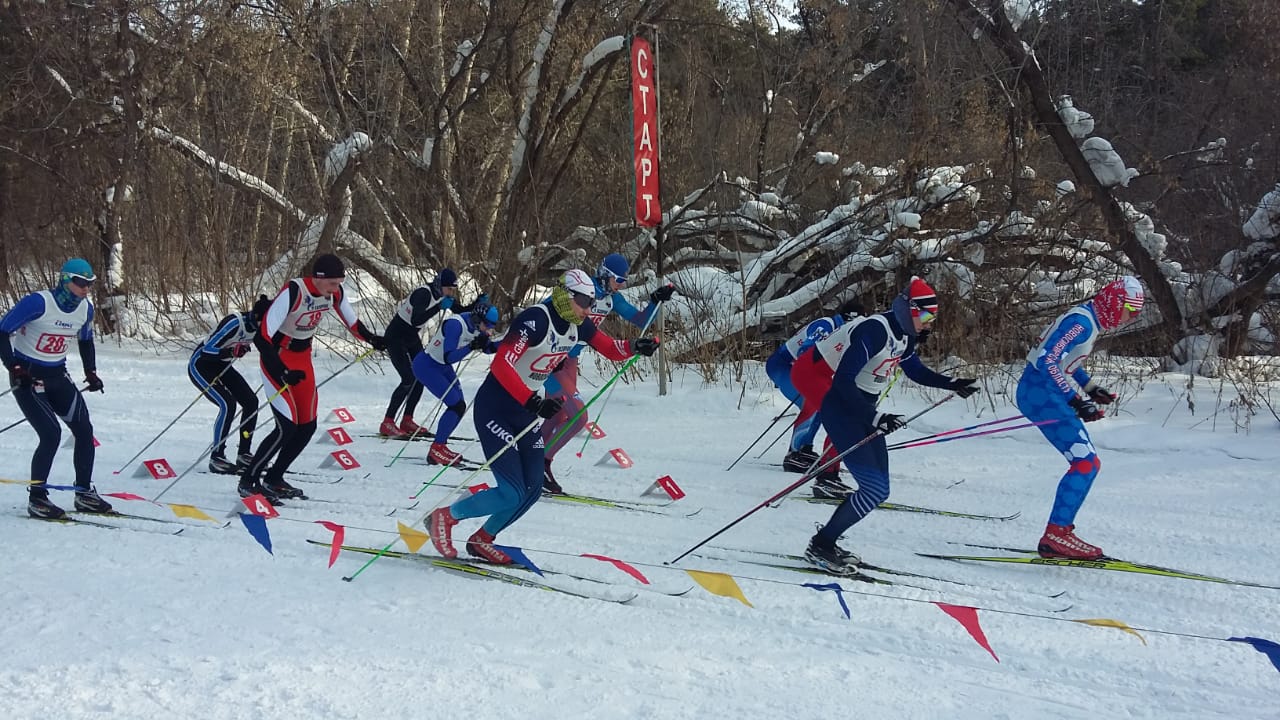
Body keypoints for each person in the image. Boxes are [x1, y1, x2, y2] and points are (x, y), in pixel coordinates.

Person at [426, 269, 660, 564]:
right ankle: (445, 517)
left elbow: (608, 348)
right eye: (584, 302)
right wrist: (532, 402)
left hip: (524, 411)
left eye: (590, 303)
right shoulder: (535, 320)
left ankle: (483, 539)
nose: (589, 309)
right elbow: (501, 365)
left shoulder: (578, 323)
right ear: (566, 296)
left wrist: (635, 347)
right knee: (511, 491)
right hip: (495, 408)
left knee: (533, 489)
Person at [802, 277, 979, 575]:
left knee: (879, 490)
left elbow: (916, 372)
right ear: (908, 309)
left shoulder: (905, 336)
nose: (928, 324)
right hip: (844, 411)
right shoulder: (874, 330)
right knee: (872, 488)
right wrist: (875, 419)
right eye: (924, 316)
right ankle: (820, 545)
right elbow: (843, 382)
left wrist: (952, 383)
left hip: (863, 412)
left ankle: (826, 541)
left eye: (932, 318)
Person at [238, 253, 386, 502]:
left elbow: (352, 322)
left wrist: (373, 339)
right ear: (318, 279)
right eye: (332, 283)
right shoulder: (294, 291)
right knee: (286, 427)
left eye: (339, 283)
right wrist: (281, 372)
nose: (336, 289)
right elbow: (262, 338)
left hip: (302, 359)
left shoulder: (334, 294)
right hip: (278, 358)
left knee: (307, 426)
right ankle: (248, 480)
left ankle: (274, 478)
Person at [1018, 276, 1144, 560]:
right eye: (1128, 309)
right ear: (1114, 301)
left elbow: (1066, 363)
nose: (1128, 318)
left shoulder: (1090, 320)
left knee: (1087, 462)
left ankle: (1058, 533)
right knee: (1086, 463)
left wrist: (1089, 389)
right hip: (1039, 393)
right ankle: (1057, 535)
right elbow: (1046, 361)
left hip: (1042, 391)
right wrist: (1075, 400)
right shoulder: (1083, 322)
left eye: (1133, 314)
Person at [539, 253, 674, 494]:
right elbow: (552, 312)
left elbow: (640, 320)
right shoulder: (581, 289)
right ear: (605, 274)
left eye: (624, 280)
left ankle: (531, 457)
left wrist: (655, 300)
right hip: (554, 359)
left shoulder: (613, 299)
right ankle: (540, 463)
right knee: (578, 417)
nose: (621, 285)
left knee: (559, 414)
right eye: (618, 280)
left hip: (569, 360)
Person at [0, 258, 112, 519]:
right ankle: (37, 499)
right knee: (50, 434)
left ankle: (84, 493)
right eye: (80, 283)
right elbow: (2, 331)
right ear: (65, 280)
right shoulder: (39, 302)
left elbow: (86, 341)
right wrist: (14, 367)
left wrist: (91, 372)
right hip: (28, 376)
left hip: (57, 376)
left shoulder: (85, 309)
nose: (85, 289)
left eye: (90, 284)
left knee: (84, 430)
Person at [380, 268, 485, 438]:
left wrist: (477, 304)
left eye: (453, 290)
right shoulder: (424, 293)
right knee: (408, 379)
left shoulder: (442, 295)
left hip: (411, 337)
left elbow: (459, 310)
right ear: (440, 285)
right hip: (396, 337)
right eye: (449, 289)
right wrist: (438, 307)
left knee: (419, 376)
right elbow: (416, 319)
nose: (451, 293)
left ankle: (407, 419)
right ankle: (388, 422)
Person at [768, 300, 863, 473]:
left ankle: (804, 447)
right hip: (783, 365)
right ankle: (793, 454)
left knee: (825, 404)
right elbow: (805, 351)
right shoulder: (826, 325)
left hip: (798, 368)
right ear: (849, 318)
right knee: (811, 403)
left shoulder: (843, 331)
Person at [188, 295, 272, 474]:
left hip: (221, 366)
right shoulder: (235, 323)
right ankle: (216, 456)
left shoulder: (258, 329)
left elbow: (268, 350)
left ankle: (244, 453)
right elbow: (207, 349)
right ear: (258, 317)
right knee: (227, 404)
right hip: (201, 365)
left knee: (251, 402)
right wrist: (231, 350)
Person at [411, 302, 501, 465]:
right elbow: (449, 356)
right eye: (487, 325)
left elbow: (488, 348)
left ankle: (441, 444)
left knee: (460, 405)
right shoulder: (455, 325)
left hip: (442, 367)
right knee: (455, 404)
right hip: (427, 366)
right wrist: (471, 346)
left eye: (492, 326)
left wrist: (510, 342)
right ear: (477, 319)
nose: (488, 329)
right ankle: (436, 449)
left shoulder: (477, 326)